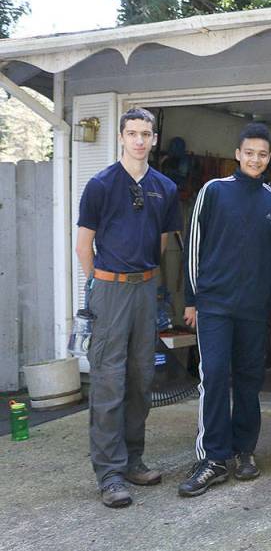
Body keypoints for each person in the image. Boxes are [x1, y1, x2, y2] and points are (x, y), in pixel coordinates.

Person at [75, 107, 183, 508]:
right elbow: (84, 245)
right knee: (108, 380)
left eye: (145, 134)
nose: (139, 140)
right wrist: (98, 283)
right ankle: (109, 474)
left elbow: (159, 242)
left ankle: (133, 459)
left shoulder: (165, 187)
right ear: (121, 137)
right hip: (109, 289)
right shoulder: (101, 185)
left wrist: (148, 281)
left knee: (140, 378)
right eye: (132, 133)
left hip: (145, 290)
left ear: (154, 140)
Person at [177, 123, 271, 497]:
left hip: (254, 307)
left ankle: (244, 451)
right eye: (249, 152)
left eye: (263, 154)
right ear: (238, 153)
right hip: (215, 305)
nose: (255, 159)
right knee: (216, 375)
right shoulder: (213, 191)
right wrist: (192, 300)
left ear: (269, 158)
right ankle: (214, 457)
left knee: (250, 380)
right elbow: (193, 246)